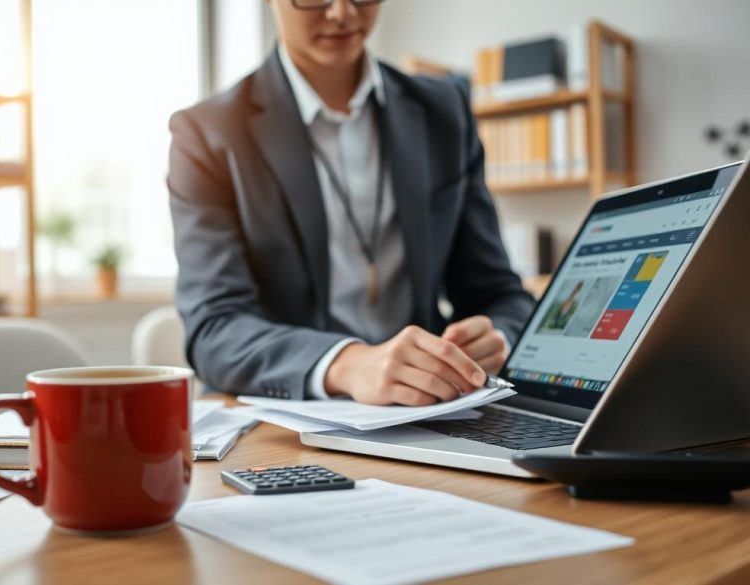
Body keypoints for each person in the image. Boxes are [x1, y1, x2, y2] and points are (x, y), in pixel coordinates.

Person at [167, 0, 535, 406]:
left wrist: (497, 335)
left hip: (427, 413)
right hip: (281, 424)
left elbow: (499, 293)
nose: (343, 13)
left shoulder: (443, 113)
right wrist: (345, 363)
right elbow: (215, 328)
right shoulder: (206, 132)